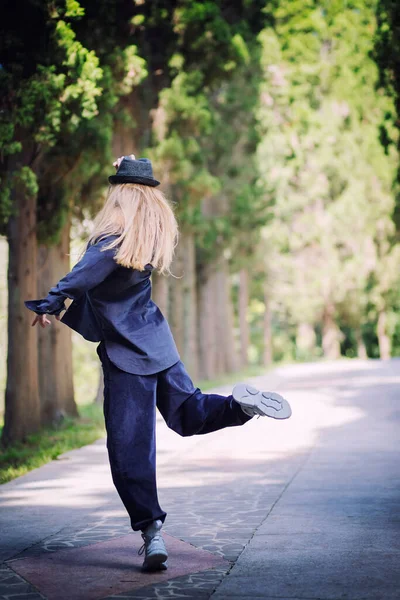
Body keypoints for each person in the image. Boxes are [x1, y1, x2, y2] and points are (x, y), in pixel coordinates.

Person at [25, 155, 292, 572]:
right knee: (190, 413)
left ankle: (151, 533)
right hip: (158, 343)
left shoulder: (112, 238)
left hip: (127, 357)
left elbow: (84, 272)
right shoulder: (150, 235)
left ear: (121, 195)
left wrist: (50, 302)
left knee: (129, 449)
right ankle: (241, 406)